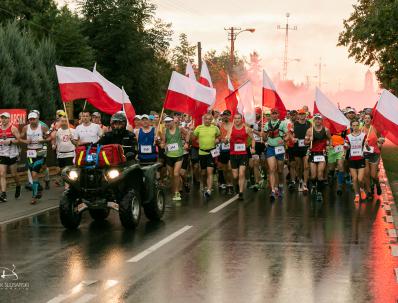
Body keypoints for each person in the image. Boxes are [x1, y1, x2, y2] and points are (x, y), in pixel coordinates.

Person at [20, 112, 51, 204]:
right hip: (30, 153)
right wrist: (26, 141)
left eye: (34, 119)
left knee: (34, 173)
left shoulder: (43, 127)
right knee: (33, 174)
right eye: (30, 119)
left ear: (37, 119)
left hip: (39, 153)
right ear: (28, 120)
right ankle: (38, 189)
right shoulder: (26, 128)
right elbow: (19, 138)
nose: (32, 121)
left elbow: (50, 137)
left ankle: (34, 196)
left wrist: (44, 140)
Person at [225, 113, 255, 200]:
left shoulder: (246, 128)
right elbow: (227, 139)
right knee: (235, 176)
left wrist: (253, 148)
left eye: (238, 118)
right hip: (233, 154)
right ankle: (237, 186)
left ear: (241, 119)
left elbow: (253, 139)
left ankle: (241, 193)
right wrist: (227, 140)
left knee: (241, 173)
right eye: (235, 118)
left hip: (243, 154)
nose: (237, 120)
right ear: (233, 119)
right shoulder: (231, 128)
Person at [161, 116, 190, 201]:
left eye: (169, 122)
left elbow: (188, 133)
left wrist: (186, 143)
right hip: (169, 155)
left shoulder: (179, 129)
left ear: (173, 122)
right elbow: (163, 142)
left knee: (176, 174)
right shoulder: (165, 131)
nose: (167, 124)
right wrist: (162, 144)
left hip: (179, 154)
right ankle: (176, 189)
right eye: (166, 122)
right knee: (171, 176)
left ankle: (177, 192)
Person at [193, 113, 220, 199]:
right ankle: (204, 185)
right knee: (203, 173)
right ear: (203, 119)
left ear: (211, 120)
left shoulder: (215, 128)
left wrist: (217, 140)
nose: (207, 120)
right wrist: (197, 141)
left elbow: (219, 136)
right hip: (202, 153)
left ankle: (209, 190)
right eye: (206, 119)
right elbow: (193, 138)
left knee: (210, 172)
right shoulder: (199, 128)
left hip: (211, 153)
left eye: (209, 119)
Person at [305, 114, 331, 202]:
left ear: (321, 121)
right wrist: (309, 140)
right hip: (313, 153)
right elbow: (305, 142)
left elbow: (330, 140)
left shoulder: (326, 130)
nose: (317, 121)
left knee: (320, 174)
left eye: (319, 119)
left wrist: (328, 146)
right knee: (313, 175)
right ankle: (313, 185)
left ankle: (319, 192)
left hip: (321, 154)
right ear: (313, 121)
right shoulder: (309, 130)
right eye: (316, 119)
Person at [264, 108, 288, 201]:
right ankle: (273, 190)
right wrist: (264, 136)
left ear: (278, 114)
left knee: (280, 170)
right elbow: (265, 137)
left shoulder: (282, 124)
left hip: (280, 148)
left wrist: (284, 139)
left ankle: (280, 185)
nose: (274, 115)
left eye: (275, 113)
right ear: (271, 115)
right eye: (272, 114)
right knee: (272, 169)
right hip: (270, 148)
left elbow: (287, 134)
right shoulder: (266, 124)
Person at [362, 113, 385, 198]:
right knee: (366, 174)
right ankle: (369, 191)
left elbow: (381, 140)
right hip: (365, 153)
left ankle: (377, 184)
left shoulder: (375, 128)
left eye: (368, 118)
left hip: (374, 153)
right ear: (363, 119)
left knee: (373, 175)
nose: (367, 119)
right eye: (365, 118)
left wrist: (380, 142)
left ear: (371, 120)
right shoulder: (361, 129)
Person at [0, 112, 21, 202]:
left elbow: (19, 140)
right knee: (2, 174)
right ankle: (3, 194)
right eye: (2, 118)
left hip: (12, 154)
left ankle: (18, 185)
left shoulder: (13, 128)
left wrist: (11, 142)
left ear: (9, 119)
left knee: (13, 174)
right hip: (2, 154)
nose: (3, 120)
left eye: (5, 118)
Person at [345, 119, 367, 202]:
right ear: (351, 126)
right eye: (353, 125)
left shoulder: (363, 135)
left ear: (359, 126)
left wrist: (367, 145)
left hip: (361, 159)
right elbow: (346, 145)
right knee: (354, 179)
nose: (355, 127)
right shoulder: (349, 136)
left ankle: (362, 189)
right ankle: (357, 195)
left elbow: (367, 148)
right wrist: (346, 146)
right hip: (352, 159)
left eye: (356, 125)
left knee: (360, 179)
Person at [52, 116, 76, 188]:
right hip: (60, 154)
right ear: (59, 122)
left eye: (65, 121)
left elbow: (77, 140)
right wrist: (53, 144)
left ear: (68, 122)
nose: (64, 122)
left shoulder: (72, 130)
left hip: (70, 153)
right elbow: (52, 137)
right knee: (62, 171)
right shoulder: (57, 131)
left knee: (68, 171)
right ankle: (66, 183)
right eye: (62, 121)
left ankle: (67, 187)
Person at [293, 109, 311, 193]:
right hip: (297, 147)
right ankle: (300, 180)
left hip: (306, 147)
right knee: (299, 166)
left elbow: (312, 133)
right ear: (298, 115)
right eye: (300, 114)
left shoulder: (309, 124)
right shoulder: (294, 124)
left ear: (305, 115)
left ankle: (305, 183)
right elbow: (289, 134)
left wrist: (310, 138)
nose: (301, 115)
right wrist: (292, 138)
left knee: (306, 166)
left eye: (303, 114)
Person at [218, 110, 234, 194]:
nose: (225, 116)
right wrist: (222, 140)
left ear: (230, 116)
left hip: (232, 149)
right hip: (223, 149)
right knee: (224, 169)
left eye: (227, 115)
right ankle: (227, 183)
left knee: (230, 168)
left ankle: (230, 185)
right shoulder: (220, 125)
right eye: (224, 115)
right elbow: (218, 137)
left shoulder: (233, 125)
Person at [251, 107, 266, 191]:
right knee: (255, 163)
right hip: (255, 144)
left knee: (263, 163)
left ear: (260, 114)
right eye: (254, 114)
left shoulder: (263, 122)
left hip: (262, 144)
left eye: (256, 114)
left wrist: (253, 130)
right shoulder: (251, 122)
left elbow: (262, 134)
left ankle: (265, 178)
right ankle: (257, 182)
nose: (255, 115)